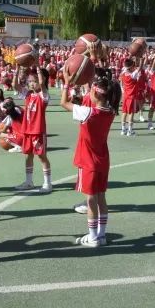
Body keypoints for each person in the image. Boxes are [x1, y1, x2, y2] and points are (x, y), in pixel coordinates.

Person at [59, 70, 120, 247]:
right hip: (103, 160)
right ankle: (101, 235)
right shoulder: (110, 110)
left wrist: (66, 83)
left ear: (95, 94)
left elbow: (64, 103)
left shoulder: (87, 113)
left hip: (88, 161)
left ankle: (93, 237)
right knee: (101, 197)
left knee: (91, 199)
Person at [16, 67, 52, 193]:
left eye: (34, 81)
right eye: (30, 81)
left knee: (42, 157)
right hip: (27, 131)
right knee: (28, 156)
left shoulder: (43, 96)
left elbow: (42, 84)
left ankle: (47, 183)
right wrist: (17, 70)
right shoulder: (28, 94)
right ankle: (29, 181)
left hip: (38, 131)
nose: (31, 83)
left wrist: (37, 67)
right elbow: (16, 86)